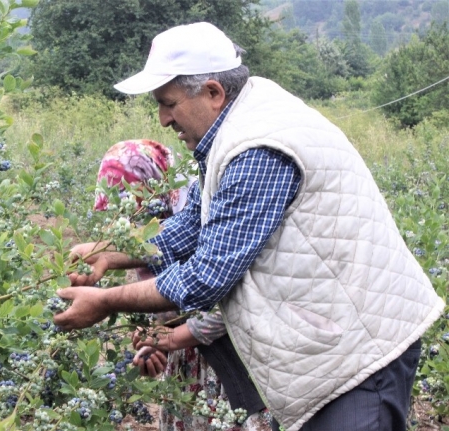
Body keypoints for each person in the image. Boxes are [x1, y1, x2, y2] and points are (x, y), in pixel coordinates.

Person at [56, 22, 445, 431]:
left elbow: (207, 276)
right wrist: (107, 253)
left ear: (212, 92)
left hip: (361, 355)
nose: (163, 119)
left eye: (168, 103)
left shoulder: (257, 148)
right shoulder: (238, 124)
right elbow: (193, 225)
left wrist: (105, 301)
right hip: (331, 347)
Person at [90, 138, 272, 430]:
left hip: (234, 364)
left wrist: (173, 337)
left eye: (134, 209)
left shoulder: (208, 214)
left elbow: (231, 301)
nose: (129, 222)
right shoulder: (154, 231)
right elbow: (163, 295)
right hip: (190, 369)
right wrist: (153, 337)